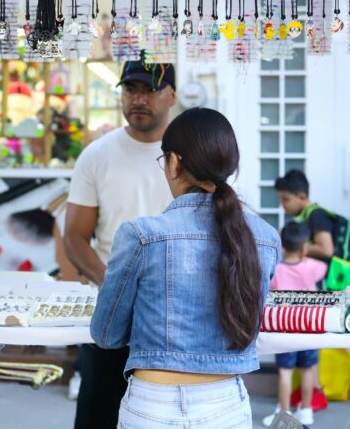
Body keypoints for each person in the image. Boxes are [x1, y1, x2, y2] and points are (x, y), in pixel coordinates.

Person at [91, 108, 280, 428]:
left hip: (152, 405)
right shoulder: (265, 238)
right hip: (225, 406)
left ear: (174, 161)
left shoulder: (141, 235)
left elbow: (107, 335)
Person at [64, 53, 176, 427]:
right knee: (99, 414)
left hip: (176, 312)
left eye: (150, 89)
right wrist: (114, 286)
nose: (138, 99)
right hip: (110, 311)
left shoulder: (191, 153)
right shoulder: (97, 155)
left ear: (172, 96)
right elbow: (76, 237)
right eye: (130, 89)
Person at [262, 222, 326, 426]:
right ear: (304, 247)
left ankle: (284, 412)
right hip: (309, 328)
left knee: (285, 373)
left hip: (285, 330)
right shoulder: (313, 267)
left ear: (282, 245)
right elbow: (324, 268)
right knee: (308, 369)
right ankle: (306, 410)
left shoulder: (277, 270)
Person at [275, 170, 336, 263]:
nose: (281, 203)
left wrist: (292, 247)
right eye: (280, 199)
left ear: (302, 197)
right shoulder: (303, 216)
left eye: (286, 199)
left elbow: (326, 250)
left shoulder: (316, 215)